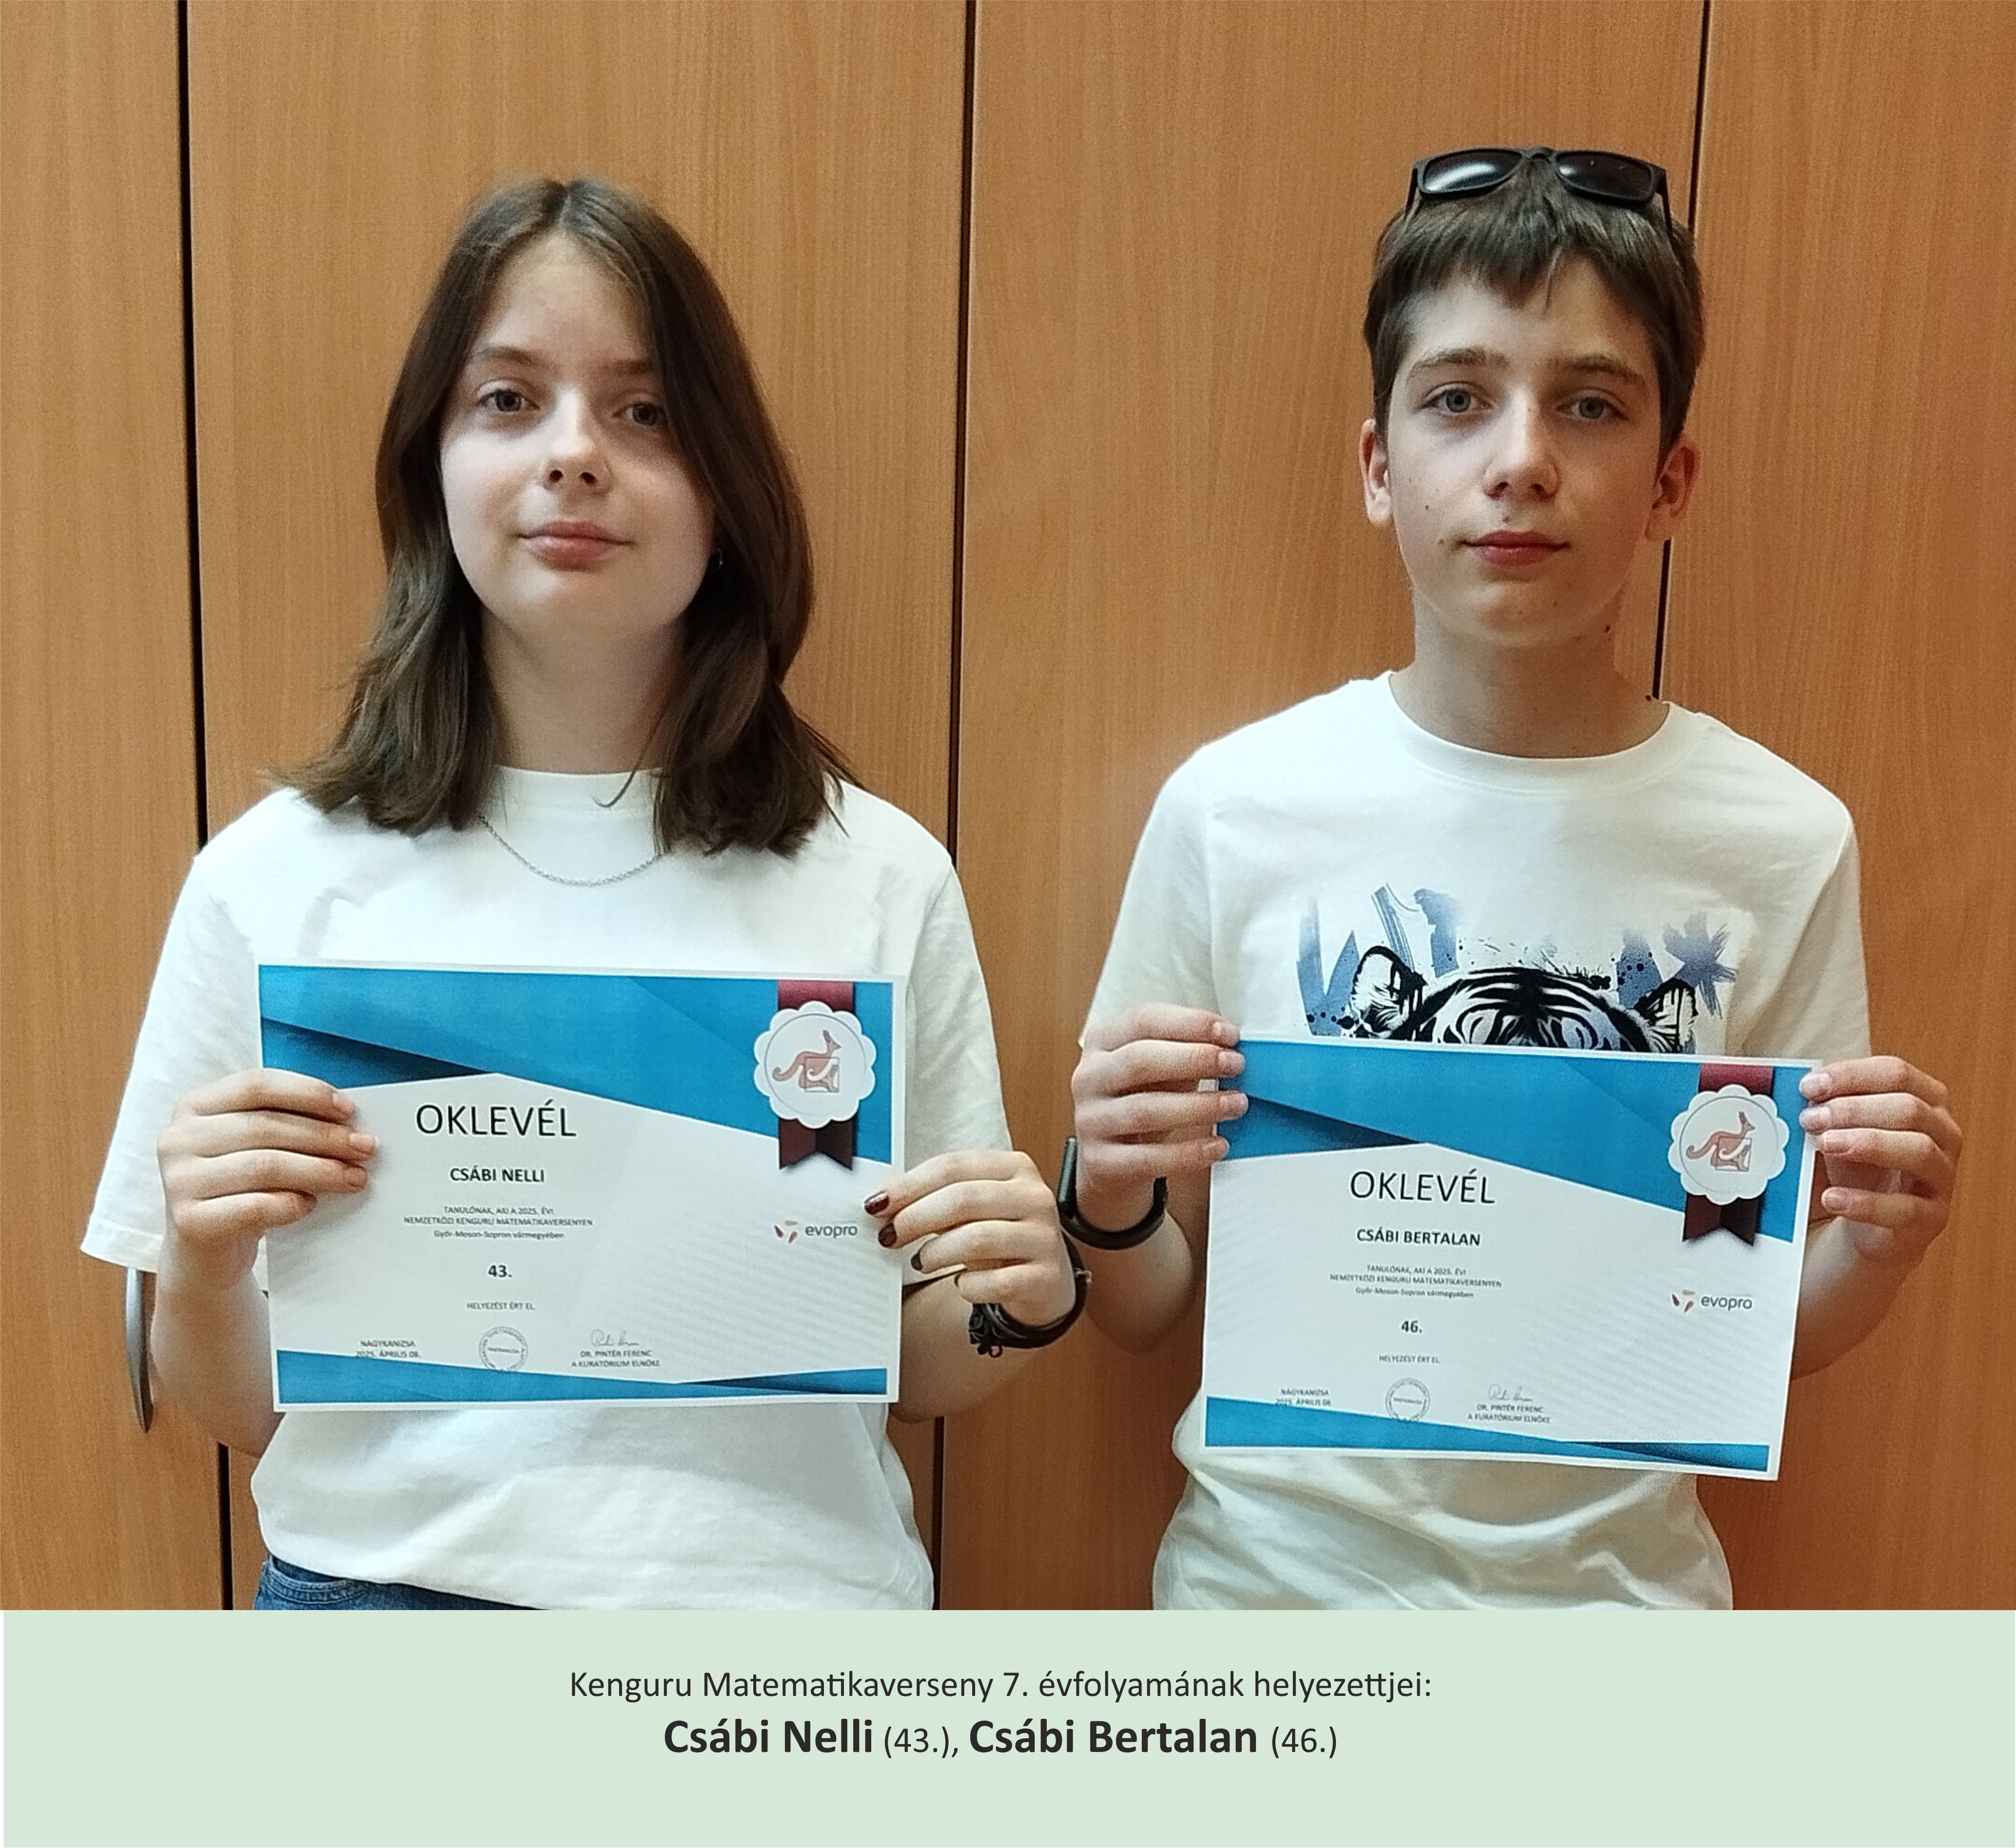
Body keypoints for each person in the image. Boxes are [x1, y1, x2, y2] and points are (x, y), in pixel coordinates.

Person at [84, 177, 1082, 1610]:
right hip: (379, 1615)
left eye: (645, 411)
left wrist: (1016, 1301)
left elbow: (915, 1366)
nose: (573, 455)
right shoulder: (275, 878)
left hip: (781, 1625)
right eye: (507, 401)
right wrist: (197, 1260)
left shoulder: (876, 874)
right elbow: (243, 1411)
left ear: (726, 492)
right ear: (432, 465)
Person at [1064, 147, 1963, 1608]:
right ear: (1379, 466)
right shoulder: (1234, 809)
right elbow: (1151, 1306)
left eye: (1591, 405)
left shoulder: (1782, 839)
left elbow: (1750, 1330)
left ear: (1670, 481)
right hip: (1272, 1609)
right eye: (1458, 399)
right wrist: (1107, 1183)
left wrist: (1878, 1247)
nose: (1522, 459)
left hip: (1622, 1619)